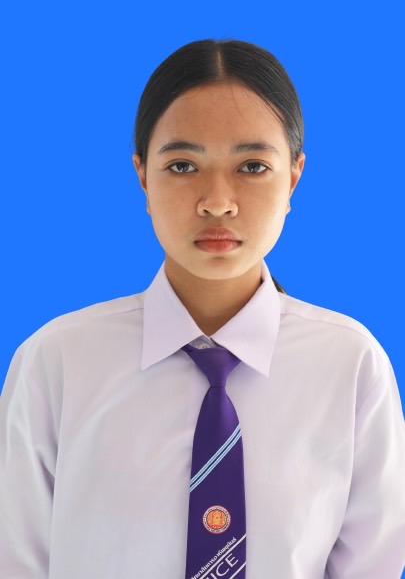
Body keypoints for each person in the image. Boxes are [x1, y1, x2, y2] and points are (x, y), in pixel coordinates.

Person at [1, 39, 404, 578]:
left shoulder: (350, 365)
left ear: (293, 177)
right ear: (143, 176)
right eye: (183, 165)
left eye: (252, 165)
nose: (217, 201)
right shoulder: (57, 362)